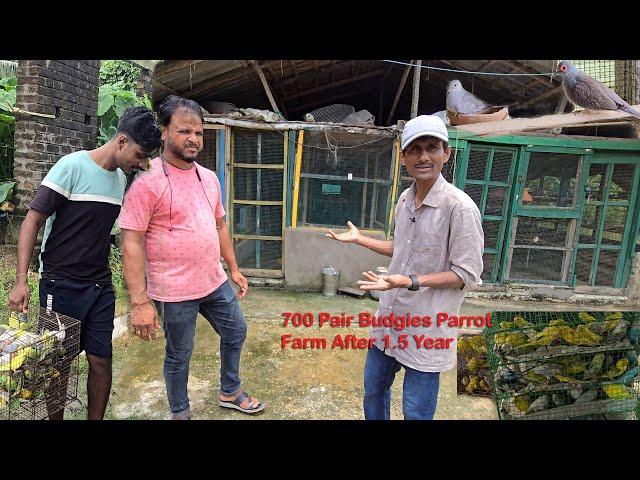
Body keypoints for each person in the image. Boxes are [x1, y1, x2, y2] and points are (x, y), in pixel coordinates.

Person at [8, 106, 162, 420]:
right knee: (58, 363)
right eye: (141, 154)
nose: (143, 164)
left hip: (99, 285)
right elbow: (32, 221)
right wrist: (21, 279)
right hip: (60, 283)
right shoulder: (72, 167)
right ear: (121, 142)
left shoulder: (120, 180)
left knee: (101, 359)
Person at [327, 115, 484, 420]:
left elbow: (466, 275)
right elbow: (401, 247)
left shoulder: (460, 208)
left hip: (427, 328)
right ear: (403, 157)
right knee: (373, 392)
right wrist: (362, 240)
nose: (423, 156)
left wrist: (409, 281)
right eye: (415, 149)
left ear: (446, 153)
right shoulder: (404, 200)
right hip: (389, 320)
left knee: (416, 411)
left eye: (431, 148)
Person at [119, 95, 264, 420]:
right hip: (173, 291)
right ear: (165, 131)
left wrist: (234, 268)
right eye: (185, 131)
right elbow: (131, 241)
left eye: (198, 133)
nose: (194, 139)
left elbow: (220, 225)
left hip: (213, 281)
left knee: (236, 331)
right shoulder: (148, 182)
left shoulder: (209, 177)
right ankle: (180, 412)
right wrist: (140, 302)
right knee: (180, 354)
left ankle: (230, 390)